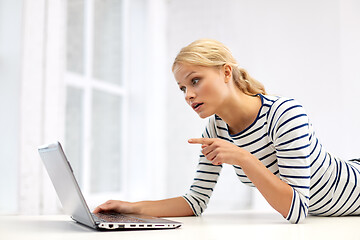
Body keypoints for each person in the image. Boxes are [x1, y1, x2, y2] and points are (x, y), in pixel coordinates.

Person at [94, 39, 360, 224]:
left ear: (225, 72)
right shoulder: (216, 127)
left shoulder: (284, 114)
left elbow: (298, 210)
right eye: (182, 88)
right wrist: (131, 208)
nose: (188, 95)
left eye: (195, 81)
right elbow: (195, 201)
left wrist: (243, 157)